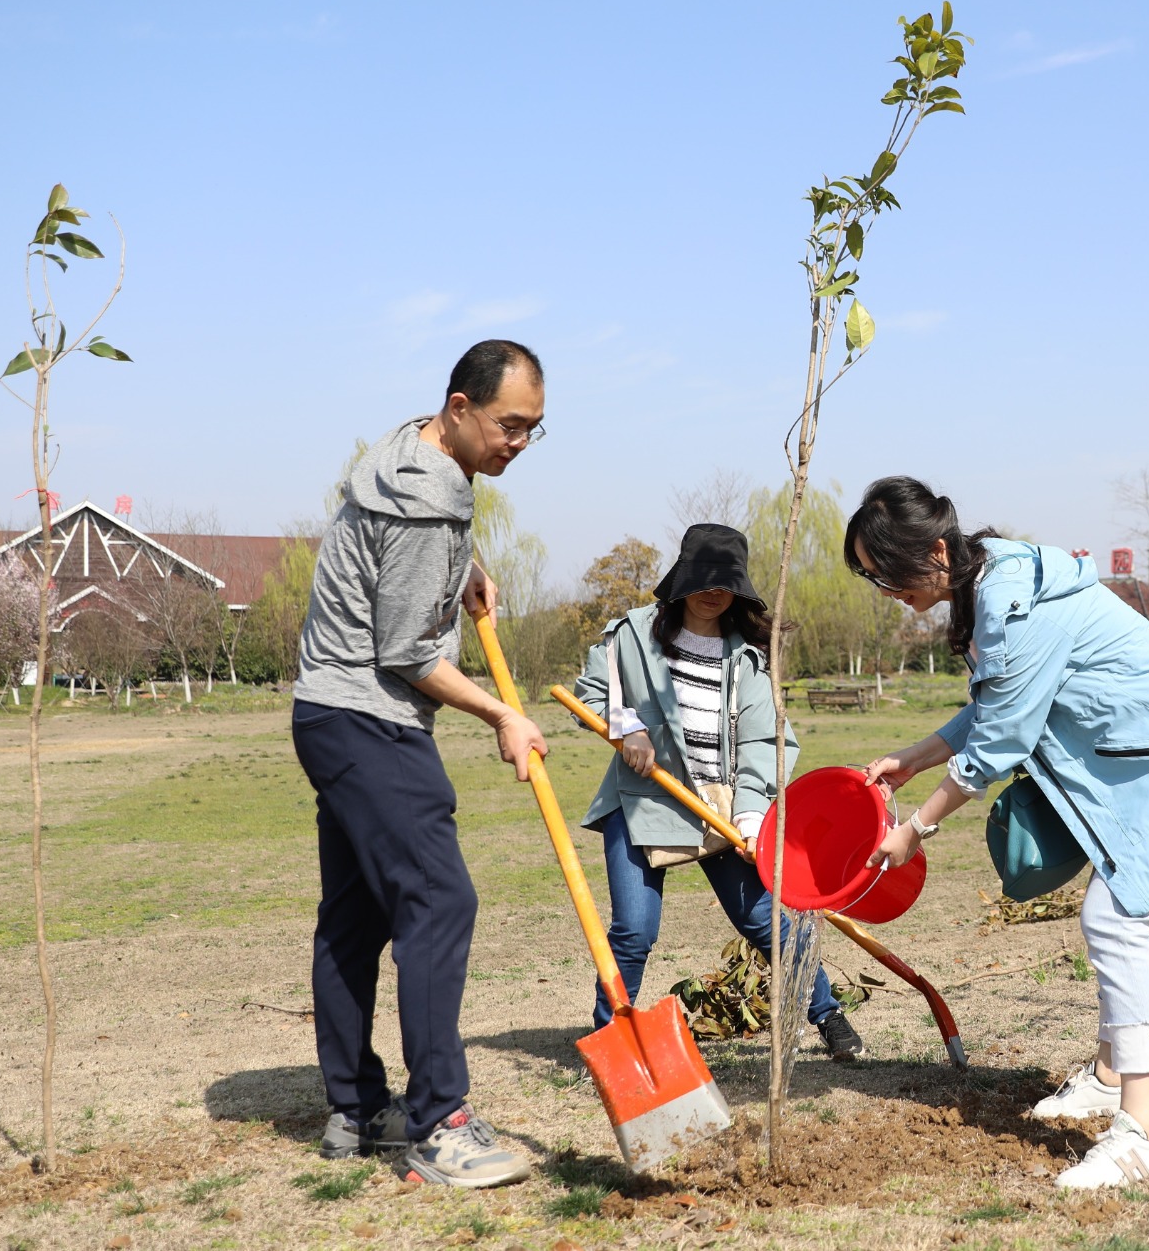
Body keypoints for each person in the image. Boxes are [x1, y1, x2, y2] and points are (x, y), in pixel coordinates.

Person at [844, 477, 1149, 1188]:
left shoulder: (1013, 600)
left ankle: (1148, 1132)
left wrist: (915, 827)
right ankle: (1109, 1076)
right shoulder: (991, 586)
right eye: (870, 577)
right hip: (1142, 759)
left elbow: (1003, 735)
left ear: (935, 551)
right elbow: (1001, 700)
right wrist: (913, 758)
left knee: (1116, 919)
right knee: (1112, 915)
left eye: (886, 572)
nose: (884, 589)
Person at [291, 339, 549, 1188]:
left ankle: (355, 1107)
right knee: (440, 897)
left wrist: (460, 567)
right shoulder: (426, 498)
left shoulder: (411, 450)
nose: (517, 441)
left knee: (360, 915)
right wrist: (500, 712)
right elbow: (405, 648)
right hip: (370, 717)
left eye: (533, 430)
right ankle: (440, 1123)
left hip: (327, 712)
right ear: (462, 406)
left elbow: (392, 566)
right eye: (509, 424)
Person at [572, 523, 865, 1060]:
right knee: (634, 931)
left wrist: (752, 818)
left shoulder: (750, 656)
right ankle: (610, 1039)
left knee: (771, 923)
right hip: (644, 800)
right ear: (682, 578)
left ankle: (827, 1014)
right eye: (704, 579)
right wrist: (626, 727)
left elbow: (762, 741)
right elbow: (591, 693)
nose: (713, 592)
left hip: (722, 808)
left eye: (725, 582)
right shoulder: (631, 636)